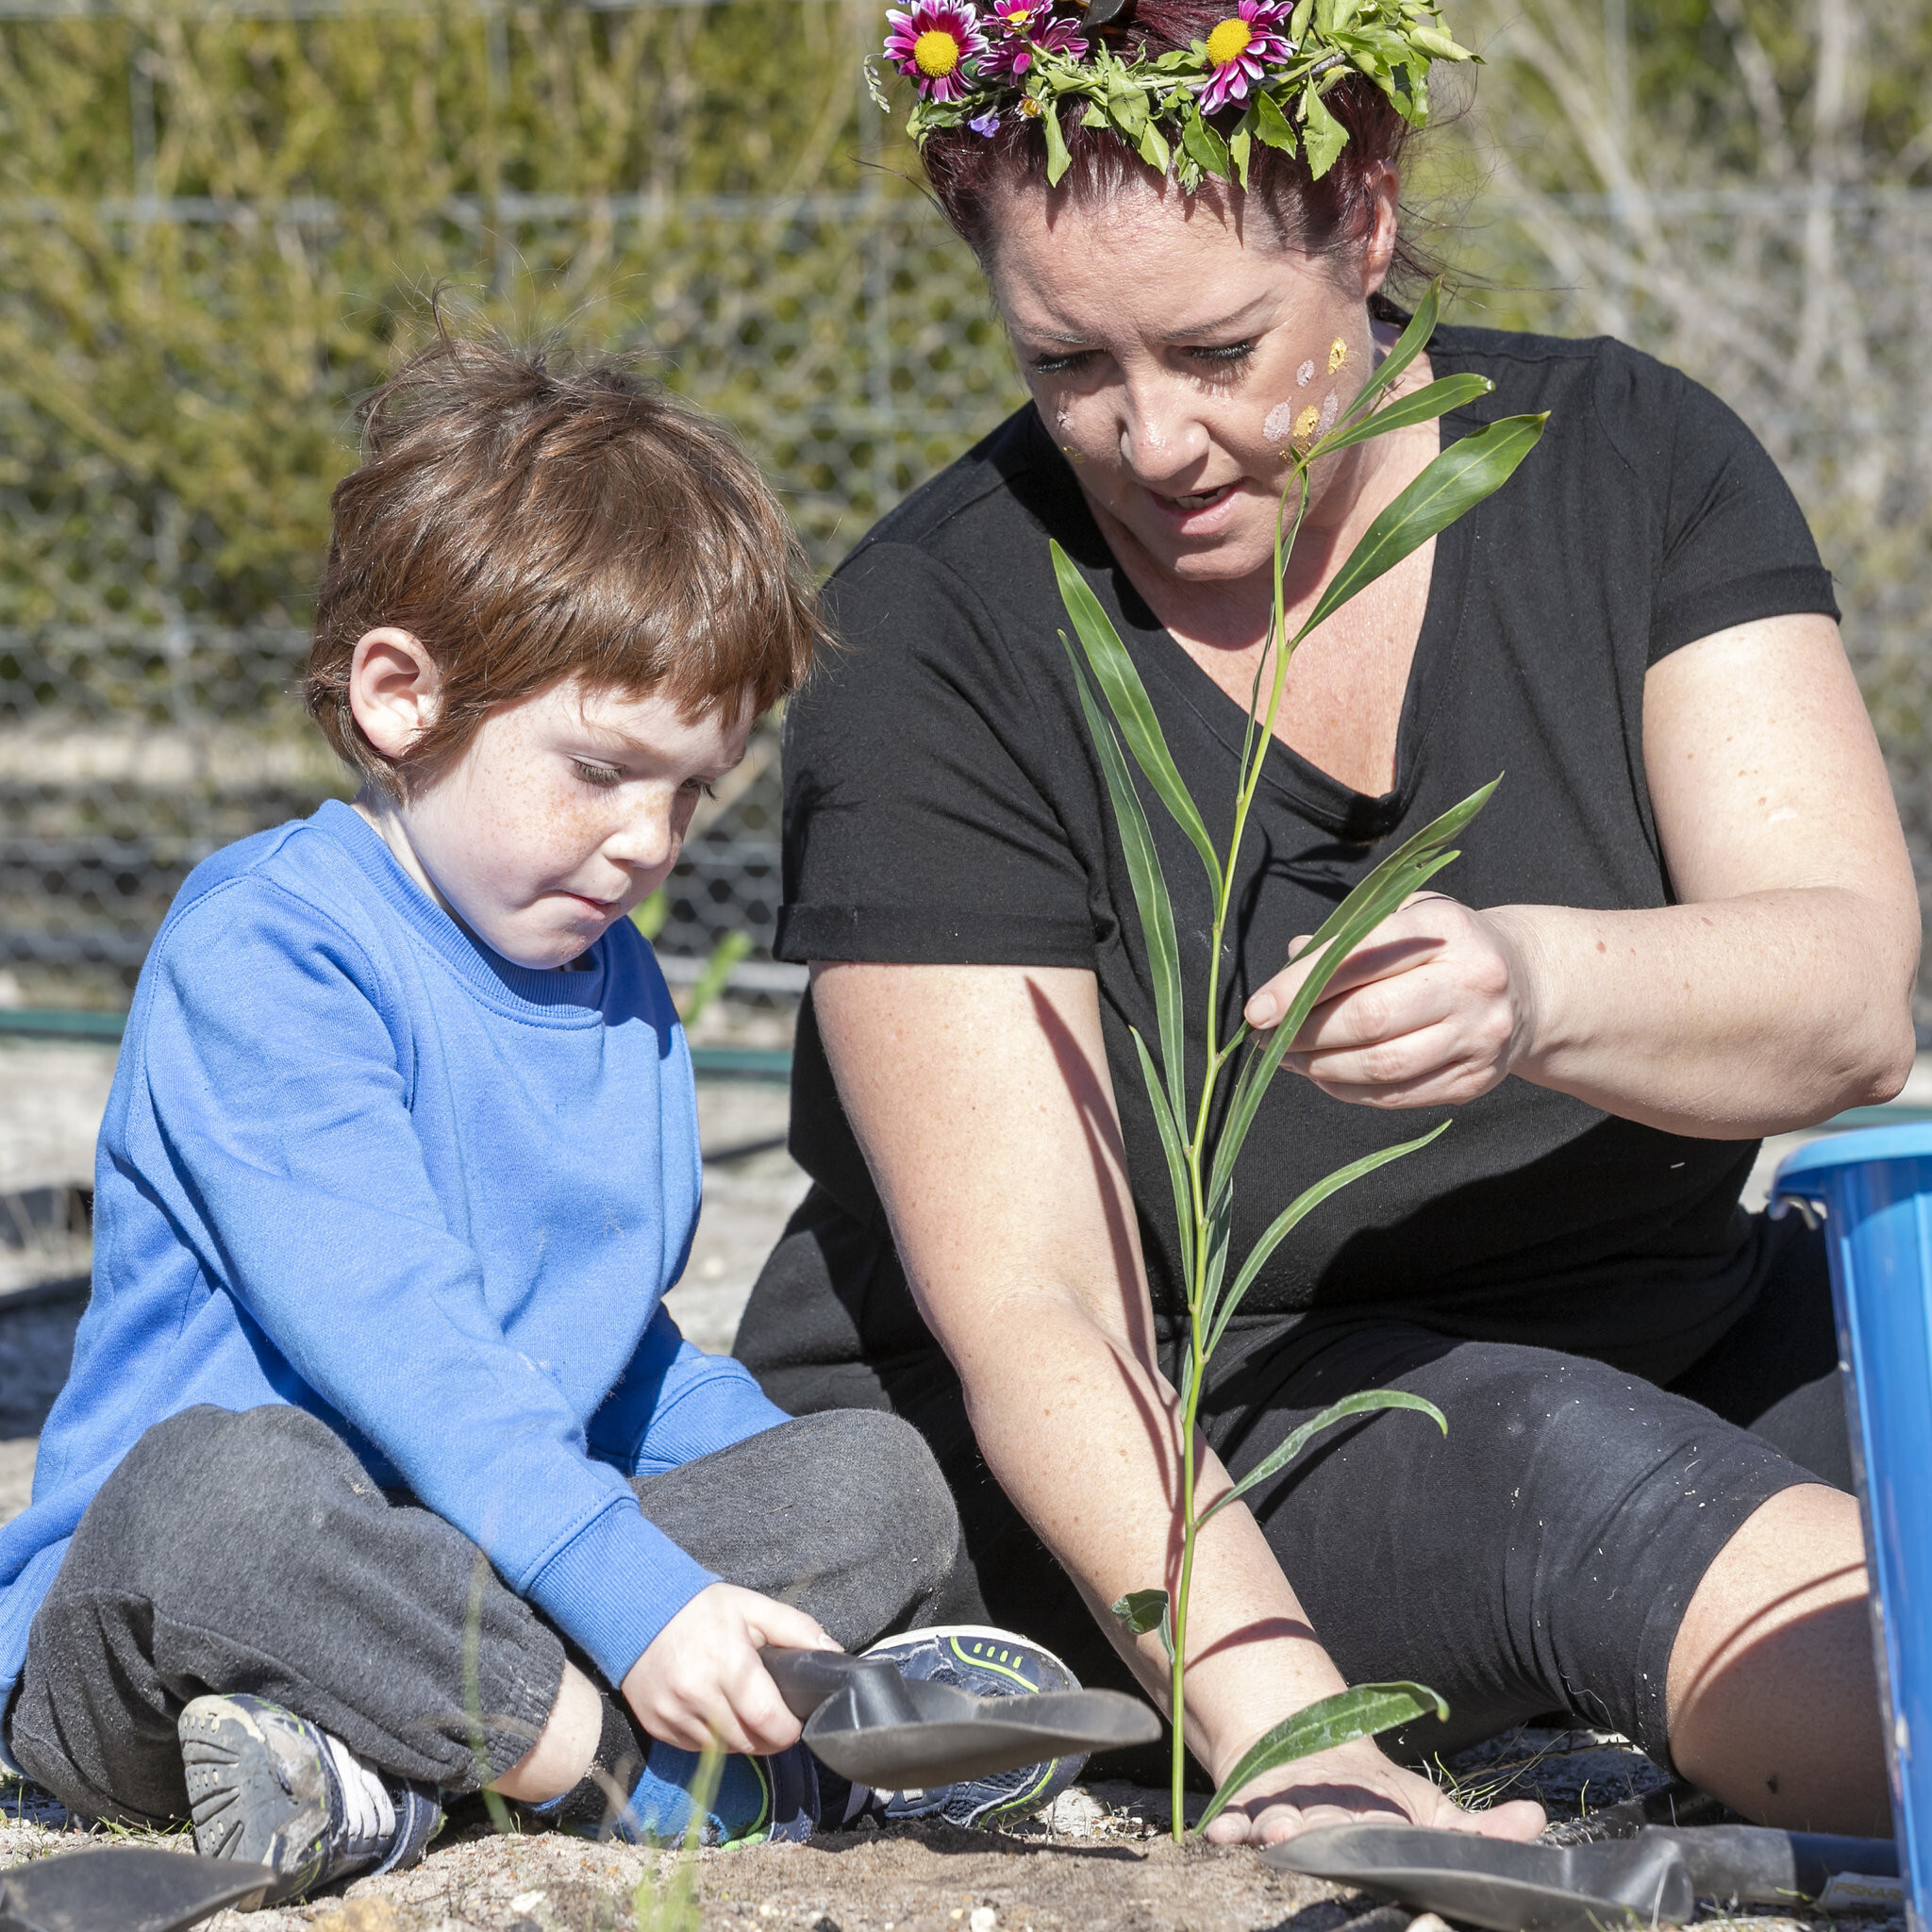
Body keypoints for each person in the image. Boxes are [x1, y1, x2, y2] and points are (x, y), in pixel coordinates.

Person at [733, 0, 1919, 1849]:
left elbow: (1845, 989)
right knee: (1555, 1470)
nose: (1156, 438)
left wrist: (1535, 983)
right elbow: (1040, 1307)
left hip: (1654, 1327)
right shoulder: (934, 643)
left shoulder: (1630, 465)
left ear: (1365, 215)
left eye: (1218, 349)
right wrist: (1295, 1735)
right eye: (1067, 366)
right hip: (1180, 1447)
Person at [0, 334, 1088, 1906]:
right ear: (399, 696)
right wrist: (643, 1600)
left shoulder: (611, 981)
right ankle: (643, 1774)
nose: (646, 840)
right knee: (223, 1488)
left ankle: (381, 1784)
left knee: (874, 1477)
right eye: (598, 769)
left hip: (473, 1580)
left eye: (691, 793)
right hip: (181, 1626)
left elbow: (611, 1357)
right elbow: (404, 1348)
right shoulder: (273, 947)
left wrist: (774, 1501)